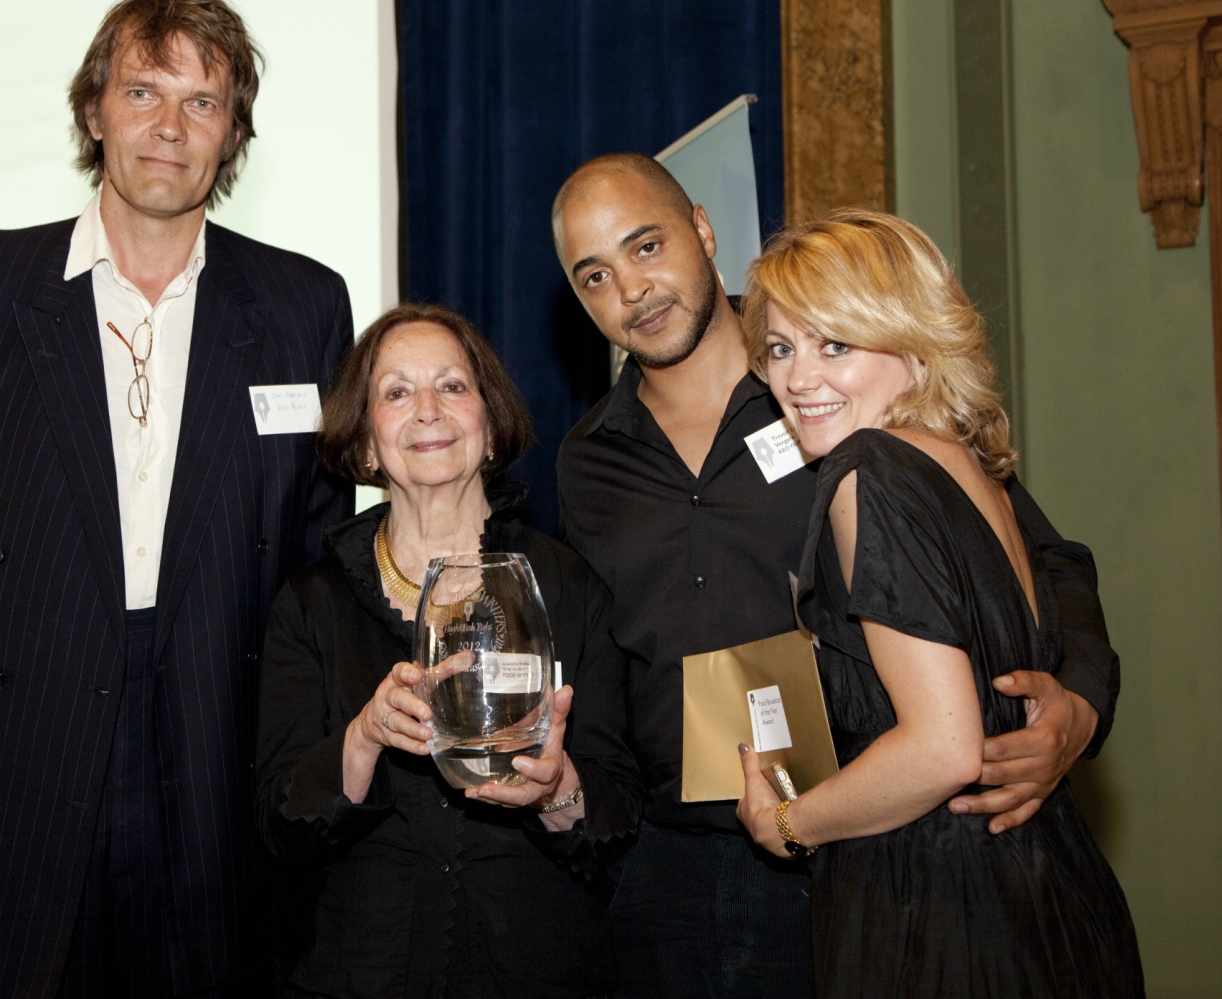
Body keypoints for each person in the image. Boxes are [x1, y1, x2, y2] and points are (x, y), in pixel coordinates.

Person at [0, 0, 353, 999]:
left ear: (233, 136)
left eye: (203, 102)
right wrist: (17, 657)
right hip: (22, 739)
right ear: (95, 111)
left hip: (219, 746)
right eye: (143, 91)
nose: (170, 128)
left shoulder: (304, 304)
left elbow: (314, 545)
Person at [551, 153, 1121, 998]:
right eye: (594, 275)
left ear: (703, 230)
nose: (631, 289)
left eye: (646, 246)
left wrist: (1075, 706)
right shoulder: (586, 462)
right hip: (666, 861)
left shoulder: (839, 392)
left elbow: (1039, 560)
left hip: (853, 834)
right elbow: (597, 659)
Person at [733, 209, 1144, 996]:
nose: (796, 377)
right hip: (1049, 888)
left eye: (836, 344)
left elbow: (942, 749)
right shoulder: (967, 464)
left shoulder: (868, 469)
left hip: (935, 912)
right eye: (781, 348)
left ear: (913, 343)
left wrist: (784, 824)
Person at [254, 305, 641, 999]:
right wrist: (363, 738)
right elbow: (281, 827)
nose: (427, 410)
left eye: (453, 387)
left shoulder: (566, 584)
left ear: (489, 428)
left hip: (539, 966)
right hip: (359, 969)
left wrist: (557, 787)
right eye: (397, 392)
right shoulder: (311, 602)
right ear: (367, 444)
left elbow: (614, 815)